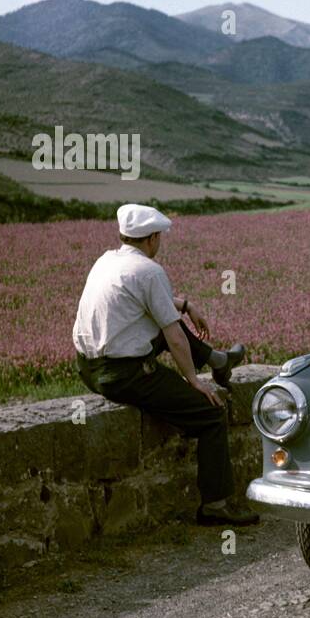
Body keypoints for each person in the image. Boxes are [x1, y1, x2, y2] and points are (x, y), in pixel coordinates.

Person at [72, 204, 258, 526]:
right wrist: (194, 381)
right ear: (152, 238)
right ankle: (216, 504)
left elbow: (149, 302)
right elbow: (174, 338)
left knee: (162, 319)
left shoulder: (107, 260)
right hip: (123, 375)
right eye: (160, 237)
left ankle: (218, 360)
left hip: (89, 368)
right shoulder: (149, 271)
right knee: (211, 415)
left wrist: (185, 305)